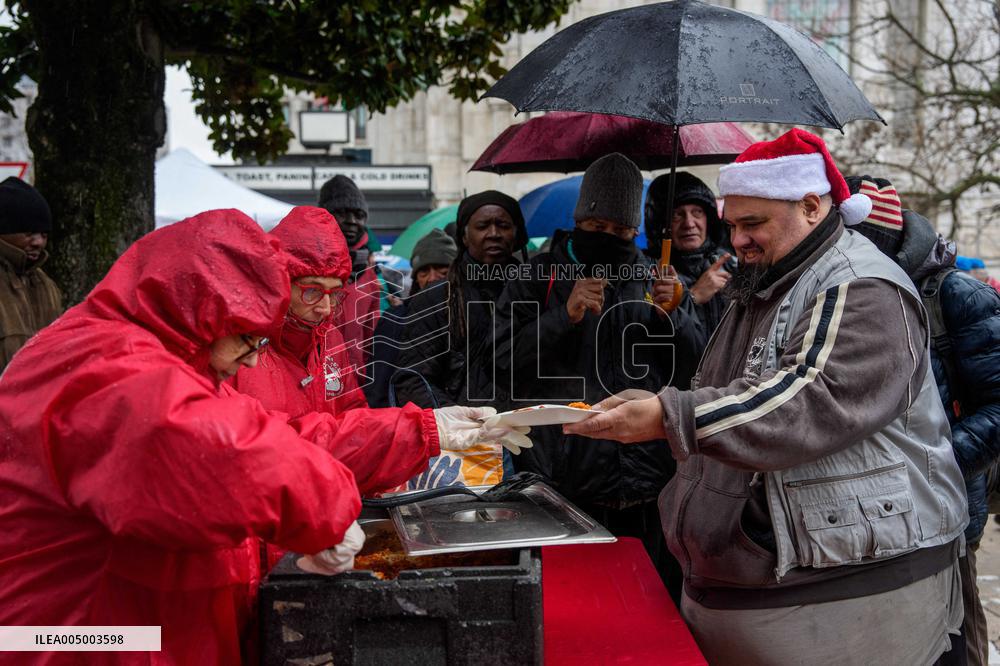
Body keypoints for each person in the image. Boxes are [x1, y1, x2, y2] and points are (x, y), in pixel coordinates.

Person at [0, 209, 528, 663]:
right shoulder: (102, 362)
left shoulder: (173, 358)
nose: (255, 354)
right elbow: (215, 449)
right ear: (198, 312)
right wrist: (321, 506)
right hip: (81, 638)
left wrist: (418, 429)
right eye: (247, 336)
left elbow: (286, 435)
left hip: (141, 627)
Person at [565, 129, 969, 665]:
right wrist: (664, 401)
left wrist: (670, 414)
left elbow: (808, 403)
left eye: (751, 224)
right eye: (732, 225)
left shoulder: (860, 285)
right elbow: (734, 388)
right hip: (780, 583)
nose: (736, 241)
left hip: (849, 589)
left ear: (809, 205)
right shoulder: (769, 279)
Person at [496, 153, 706, 597]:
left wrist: (677, 314)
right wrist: (562, 316)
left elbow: (697, 371)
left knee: (652, 607)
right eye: (598, 228)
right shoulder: (537, 276)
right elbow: (500, 364)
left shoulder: (655, 276)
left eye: (621, 231)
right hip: (564, 484)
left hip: (649, 482)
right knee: (575, 609)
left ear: (636, 230)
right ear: (579, 222)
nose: (609, 237)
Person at [846, 174, 1000, 666]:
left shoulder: (955, 296)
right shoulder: (847, 295)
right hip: (871, 509)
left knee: (957, 629)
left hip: (947, 502)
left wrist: (938, 461)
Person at [393, 190, 529, 409]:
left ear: (517, 234)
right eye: (483, 226)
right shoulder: (436, 298)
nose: (494, 233)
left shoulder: (536, 292)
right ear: (464, 237)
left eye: (503, 225)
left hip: (531, 433)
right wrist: (461, 420)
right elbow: (412, 379)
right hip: (464, 437)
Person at [229, 206, 367, 417]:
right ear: (279, 284)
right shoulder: (236, 346)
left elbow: (352, 412)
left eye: (334, 293)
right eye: (312, 290)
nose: (326, 308)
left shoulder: (330, 339)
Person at [366, 228, 457, 408]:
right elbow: (378, 387)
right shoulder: (395, 320)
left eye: (442, 271)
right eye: (424, 272)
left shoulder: (469, 316)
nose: (432, 279)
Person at [317, 174, 398, 370]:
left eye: (359, 215)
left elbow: (371, 337)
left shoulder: (368, 276)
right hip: (312, 377)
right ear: (324, 214)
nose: (352, 221)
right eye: (342, 213)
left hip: (357, 381)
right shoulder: (305, 268)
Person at [644, 171, 732, 334]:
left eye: (697, 212)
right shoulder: (647, 272)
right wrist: (692, 297)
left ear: (709, 218)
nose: (689, 223)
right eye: (677, 214)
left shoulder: (730, 264)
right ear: (660, 223)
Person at [0, 176, 62, 372]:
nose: (39, 242)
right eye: (29, 233)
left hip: (38, 400)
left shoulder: (46, 285)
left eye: (43, 234)